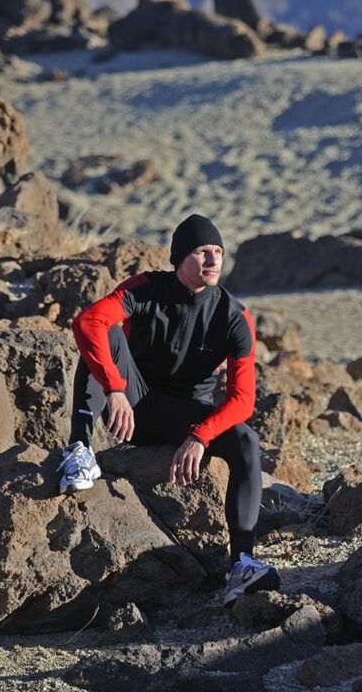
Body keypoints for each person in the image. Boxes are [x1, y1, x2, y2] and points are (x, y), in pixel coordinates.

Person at [60, 213, 280, 605]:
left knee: (246, 439)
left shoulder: (234, 316)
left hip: (189, 417)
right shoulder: (146, 288)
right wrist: (115, 388)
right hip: (133, 405)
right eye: (202, 252)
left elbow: (243, 400)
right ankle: (79, 450)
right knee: (103, 330)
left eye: (218, 252)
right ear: (179, 259)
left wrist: (200, 436)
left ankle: (242, 562)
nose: (213, 260)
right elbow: (87, 322)